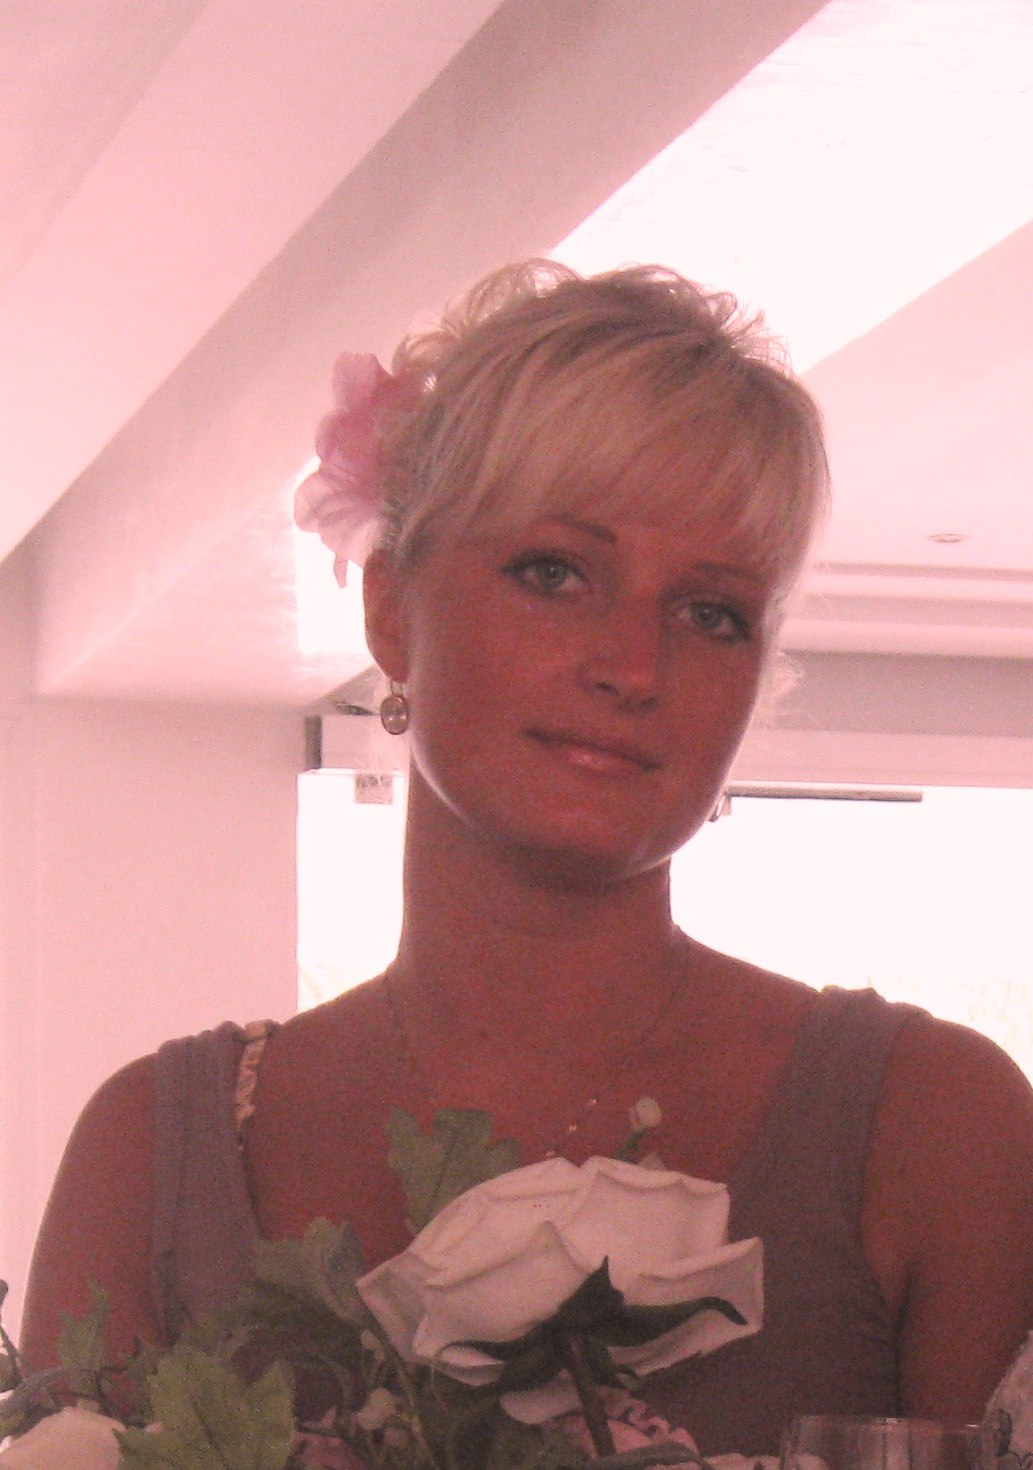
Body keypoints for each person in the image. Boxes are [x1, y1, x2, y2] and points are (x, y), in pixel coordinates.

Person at [19, 260, 1033, 1456]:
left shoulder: (937, 1130)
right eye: (554, 573)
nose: (633, 665)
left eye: (711, 613)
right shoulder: (150, 1155)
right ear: (391, 610)